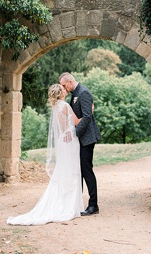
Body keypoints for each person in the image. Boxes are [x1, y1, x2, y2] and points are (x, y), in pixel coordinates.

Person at [7, 84, 84, 225]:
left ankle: (65, 202)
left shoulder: (56, 107)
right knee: (71, 170)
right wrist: (90, 111)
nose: (66, 90)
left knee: (63, 170)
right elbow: (77, 122)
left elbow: (62, 128)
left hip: (62, 141)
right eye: (63, 89)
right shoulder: (65, 106)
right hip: (70, 140)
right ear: (60, 93)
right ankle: (70, 206)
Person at [59, 72, 102, 216]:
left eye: (64, 85)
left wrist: (74, 133)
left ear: (70, 81)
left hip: (87, 138)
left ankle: (93, 205)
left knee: (86, 170)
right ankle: (77, 202)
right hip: (79, 139)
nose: (64, 88)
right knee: (80, 170)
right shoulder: (75, 94)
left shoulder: (83, 93)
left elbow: (87, 117)